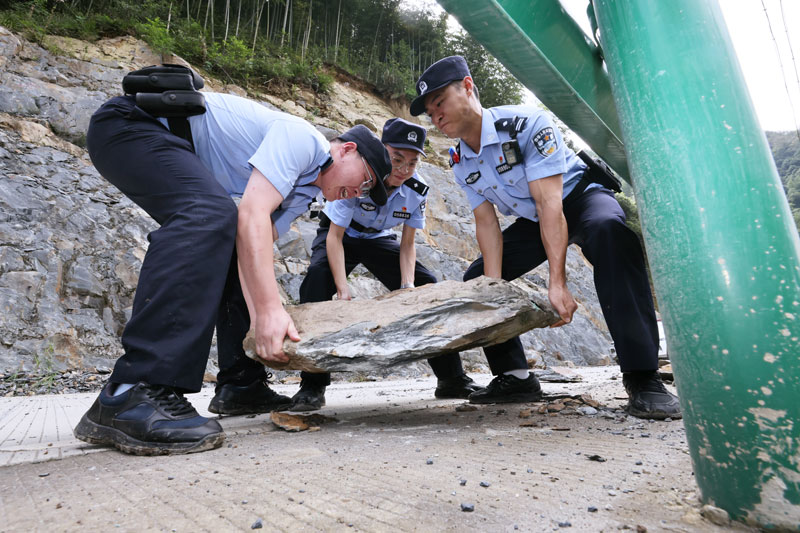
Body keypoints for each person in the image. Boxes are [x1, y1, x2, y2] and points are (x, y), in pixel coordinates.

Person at [73, 83, 393, 455]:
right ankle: (133, 390)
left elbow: (252, 245)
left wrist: (262, 323)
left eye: (367, 193)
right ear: (347, 149)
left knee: (224, 239)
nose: (358, 193)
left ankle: (241, 384)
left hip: (156, 141)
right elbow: (251, 215)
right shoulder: (306, 141)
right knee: (209, 215)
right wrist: (270, 310)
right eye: (365, 180)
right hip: (131, 126)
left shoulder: (304, 190)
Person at [409, 56, 680, 419]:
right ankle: (515, 376)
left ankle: (643, 376)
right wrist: (493, 286)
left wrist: (558, 283)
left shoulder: (524, 124)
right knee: (479, 281)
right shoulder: (459, 159)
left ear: (469, 87)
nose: (435, 116)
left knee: (609, 234)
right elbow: (486, 223)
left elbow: (550, 202)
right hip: (536, 217)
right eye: (430, 112)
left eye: (440, 102)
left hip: (578, 198)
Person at [290, 118, 484, 411]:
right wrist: (342, 291)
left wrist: (408, 288)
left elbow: (408, 244)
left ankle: (451, 378)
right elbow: (335, 238)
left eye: (412, 162)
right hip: (341, 234)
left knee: (426, 286)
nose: (404, 169)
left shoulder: (417, 189)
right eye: (397, 159)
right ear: (383, 152)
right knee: (316, 281)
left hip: (378, 238)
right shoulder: (363, 174)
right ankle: (312, 386)